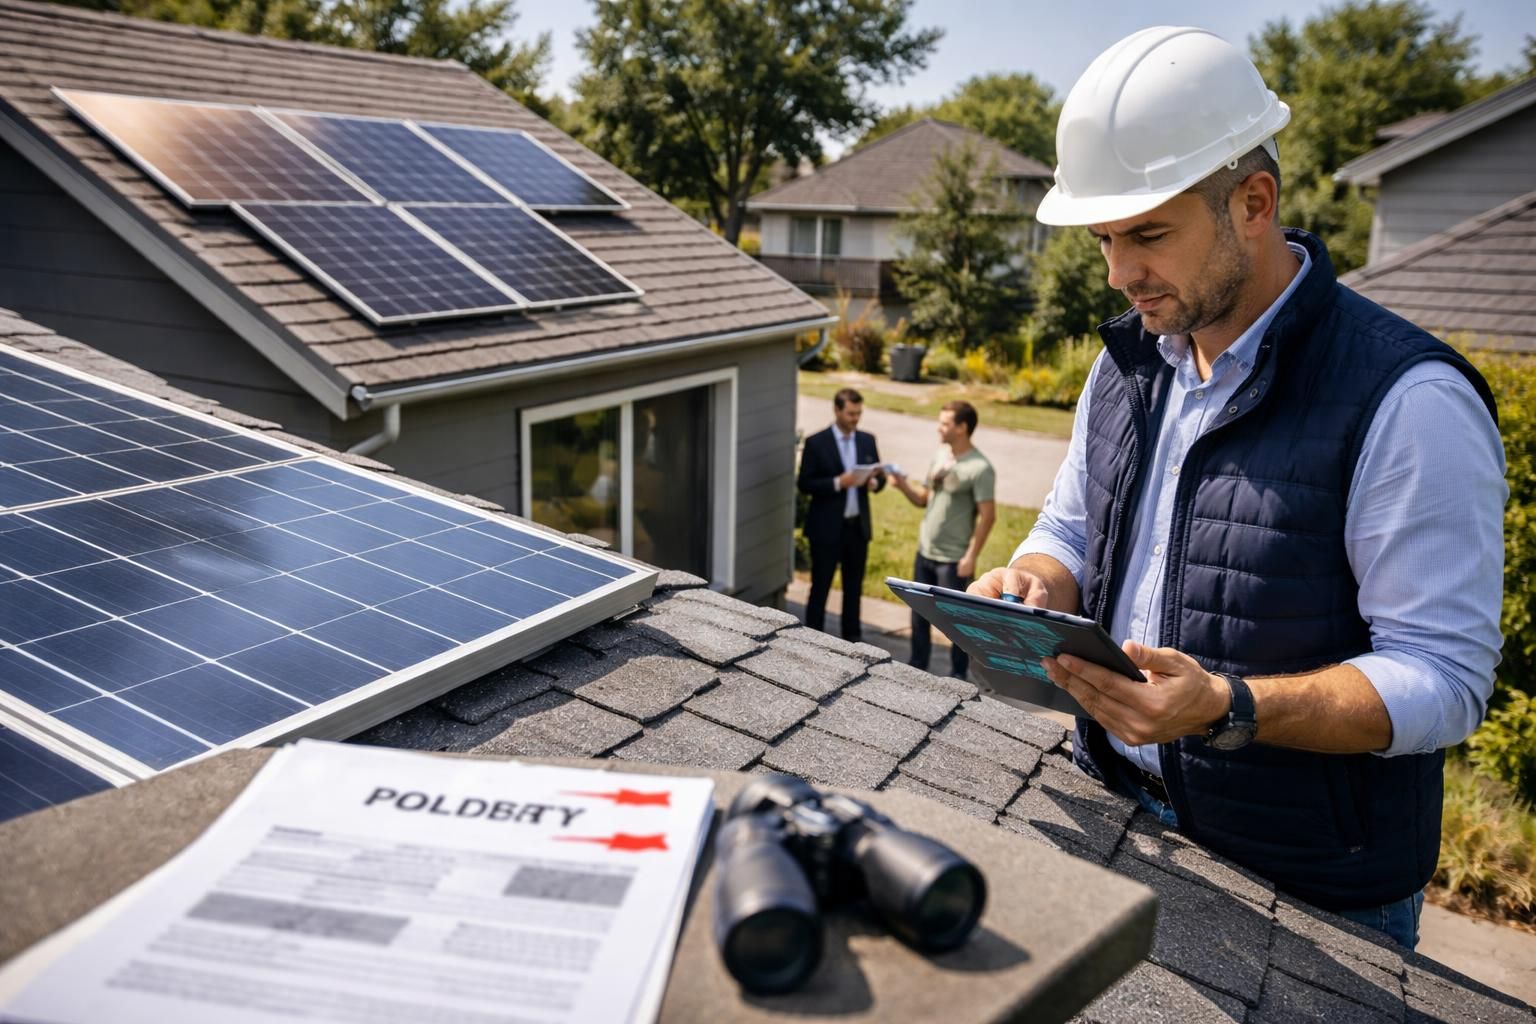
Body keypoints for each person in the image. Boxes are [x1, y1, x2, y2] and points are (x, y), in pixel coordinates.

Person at [970, 26, 1505, 951]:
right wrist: (1035, 584)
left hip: (1311, 890)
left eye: (1148, 233)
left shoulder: (1408, 399)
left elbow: (1446, 679)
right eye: (1104, 237)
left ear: (1253, 202)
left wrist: (1228, 707)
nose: (1119, 272)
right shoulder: (1126, 366)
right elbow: (1067, 528)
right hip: (1112, 813)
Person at [889, 401, 996, 678]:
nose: (940, 427)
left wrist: (970, 556)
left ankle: (959, 675)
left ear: (962, 428)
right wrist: (902, 486)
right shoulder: (940, 455)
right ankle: (917, 667)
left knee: (956, 622)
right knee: (918, 616)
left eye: (946, 423)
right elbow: (924, 499)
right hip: (925, 551)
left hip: (953, 558)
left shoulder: (980, 468)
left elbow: (988, 516)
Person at [798, 388, 885, 641]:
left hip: (857, 529)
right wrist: (839, 483)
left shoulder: (867, 440)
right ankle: (811, 639)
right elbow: (804, 483)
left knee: (853, 590)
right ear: (836, 410)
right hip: (826, 529)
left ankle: (853, 643)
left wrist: (874, 484)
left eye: (858, 414)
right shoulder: (816, 442)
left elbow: (880, 478)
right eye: (850, 414)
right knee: (820, 587)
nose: (855, 419)